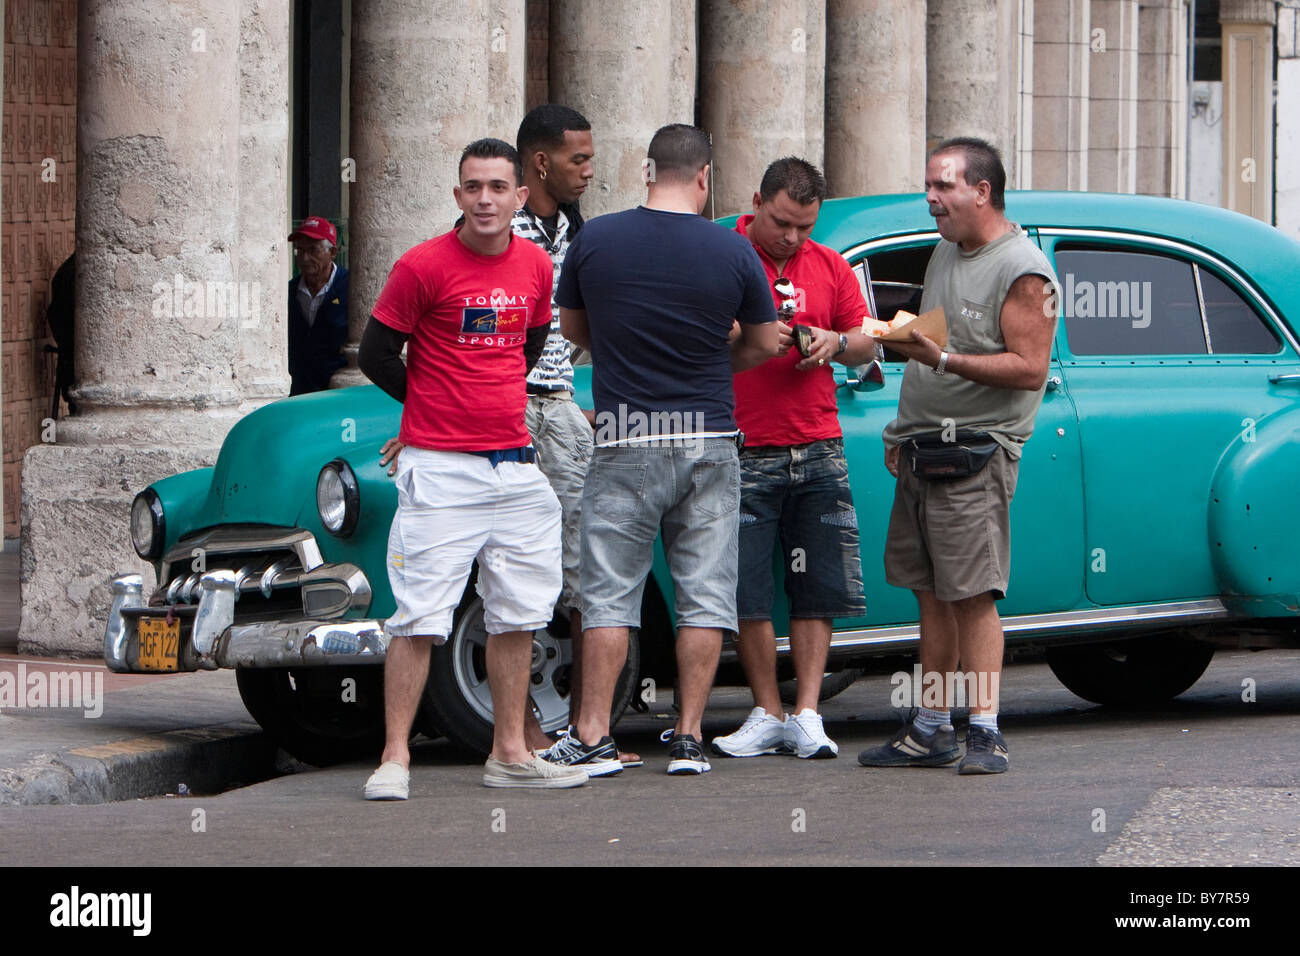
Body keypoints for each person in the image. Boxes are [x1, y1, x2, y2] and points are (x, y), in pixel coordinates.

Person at [357, 138, 587, 795]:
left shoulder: (537, 269)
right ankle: (394, 758)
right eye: (472, 187)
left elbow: (531, 343)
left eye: (496, 187)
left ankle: (510, 752)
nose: (484, 199)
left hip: (515, 465)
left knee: (518, 611)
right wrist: (428, 405)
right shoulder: (422, 266)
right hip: (440, 468)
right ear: (458, 195)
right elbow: (377, 353)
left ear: (519, 197)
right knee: (419, 616)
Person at [553, 124, 780, 776]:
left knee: (608, 595)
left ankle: (592, 734)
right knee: (705, 592)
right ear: (704, 178)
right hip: (709, 436)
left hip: (627, 434)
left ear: (647, 171)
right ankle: (687, 737)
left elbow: (575, 332)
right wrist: (711, 359)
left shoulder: (595, 239)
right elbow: (765, 343)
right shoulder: (732, 252)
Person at [857, 137, 1057, 775]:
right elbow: (937, 338)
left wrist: (941, 359)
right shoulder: (947, 249)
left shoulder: (1022, 268)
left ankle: (987, 731)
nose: (931, 199)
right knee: (932, 594)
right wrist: (902, 424)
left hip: (976, 452)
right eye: (929, 185)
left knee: (973, 596)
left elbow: (1029, 370)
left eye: (943, 187)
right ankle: (932, 726)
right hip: (923, 445)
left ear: (983, 192)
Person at [710, 158, 874, 761]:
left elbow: (865, 342)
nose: (791, 238)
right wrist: (744, 337)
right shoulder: (720, 252)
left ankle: (807, 712)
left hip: (818, 441)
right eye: (781, 222)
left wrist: (834, 342)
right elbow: (693, 332)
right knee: (745, 587)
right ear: (756, 201)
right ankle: (765, 710)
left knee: (819, 585)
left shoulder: (830, 264)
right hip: (740, 440)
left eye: (804, 227)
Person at [509, 104, 641, 769]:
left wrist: (575, 403)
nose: (590, 170)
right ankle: (524, 725)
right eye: (578, 159)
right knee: (508, 566)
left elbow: (578, 331)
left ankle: (589, 730)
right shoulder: (500, 228)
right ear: (541, 162)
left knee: (590, 567)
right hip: (505, 407)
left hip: (558, 407)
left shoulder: (576, 231)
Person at [287, 216, 349, 395]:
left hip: (335, 393)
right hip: (297, 392)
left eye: (314, 250)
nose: (305, 258)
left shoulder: (350, 288)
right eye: (300, 250)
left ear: (332, 252)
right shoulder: (290, 291)